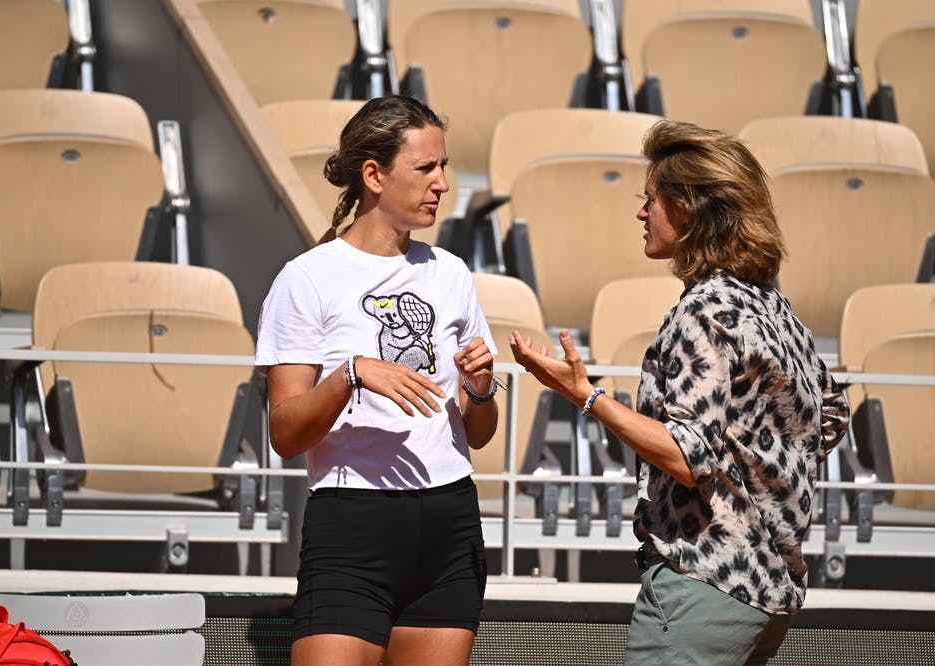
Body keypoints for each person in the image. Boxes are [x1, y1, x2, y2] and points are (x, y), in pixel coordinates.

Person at [509, 120, 850, 665]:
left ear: (688, 210)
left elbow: (688, 455)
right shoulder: (771, 305)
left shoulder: (704, 310)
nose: (641, 214)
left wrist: (585, 396)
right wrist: (757, 479)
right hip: (769, 592)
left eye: (651, 200)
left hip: (703, 586)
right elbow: (830, 415)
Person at [254, 95, 500, 666]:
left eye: (443, 166)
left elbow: (480, 432)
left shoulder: (452, 273)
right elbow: (285, 433)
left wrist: (482, 387)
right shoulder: (307, 278)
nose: (442, 182)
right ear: (374, 175)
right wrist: (352, 375)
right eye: (425, 168)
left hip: (448, 520)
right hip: (351, 526)